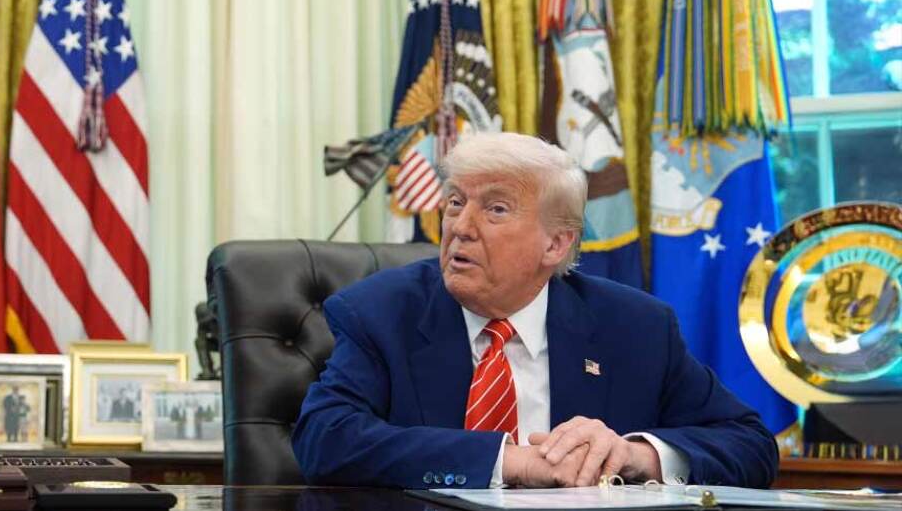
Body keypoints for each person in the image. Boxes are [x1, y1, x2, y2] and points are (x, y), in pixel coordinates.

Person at [291, 132, 778, 490]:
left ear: (556, 244)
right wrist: (511, 462)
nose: (460, 226)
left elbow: (750, 443)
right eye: (456, 202)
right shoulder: (380, 312)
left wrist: (633, 456)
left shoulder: (634, 328)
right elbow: (324, 440)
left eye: (496, 209)